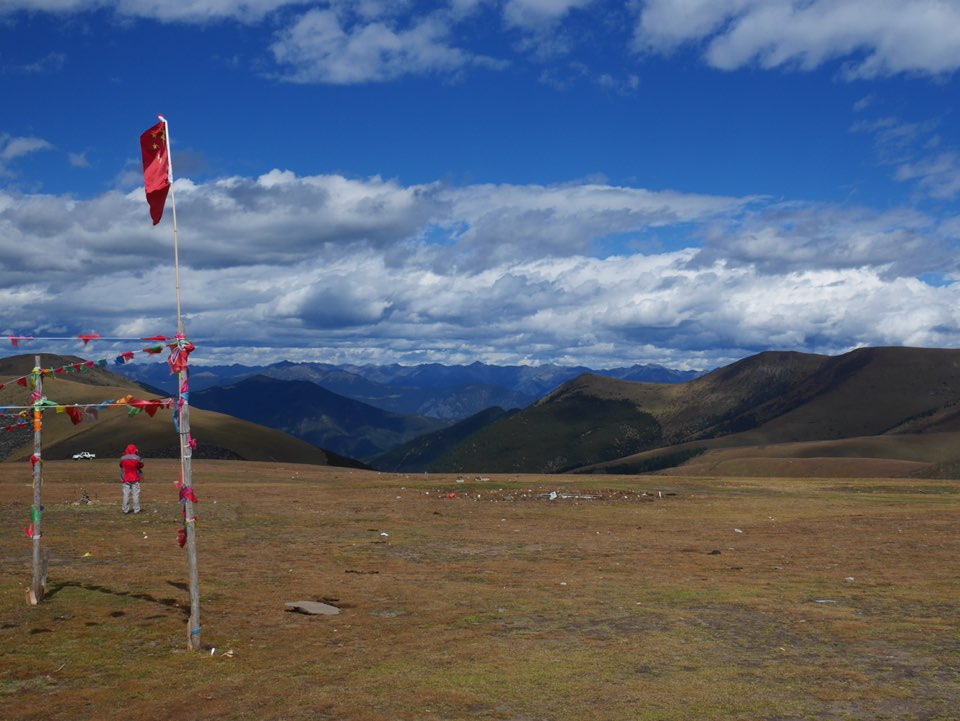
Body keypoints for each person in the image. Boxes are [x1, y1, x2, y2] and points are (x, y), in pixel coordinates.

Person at [119, 443, 144, 514]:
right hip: (135, 478)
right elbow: (141, 465)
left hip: (126, 478)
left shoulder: (123, 458)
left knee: (126, 494)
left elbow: (120, 465)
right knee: (135, 495)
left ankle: (125, 509)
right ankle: (136, 510)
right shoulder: (137, 457)